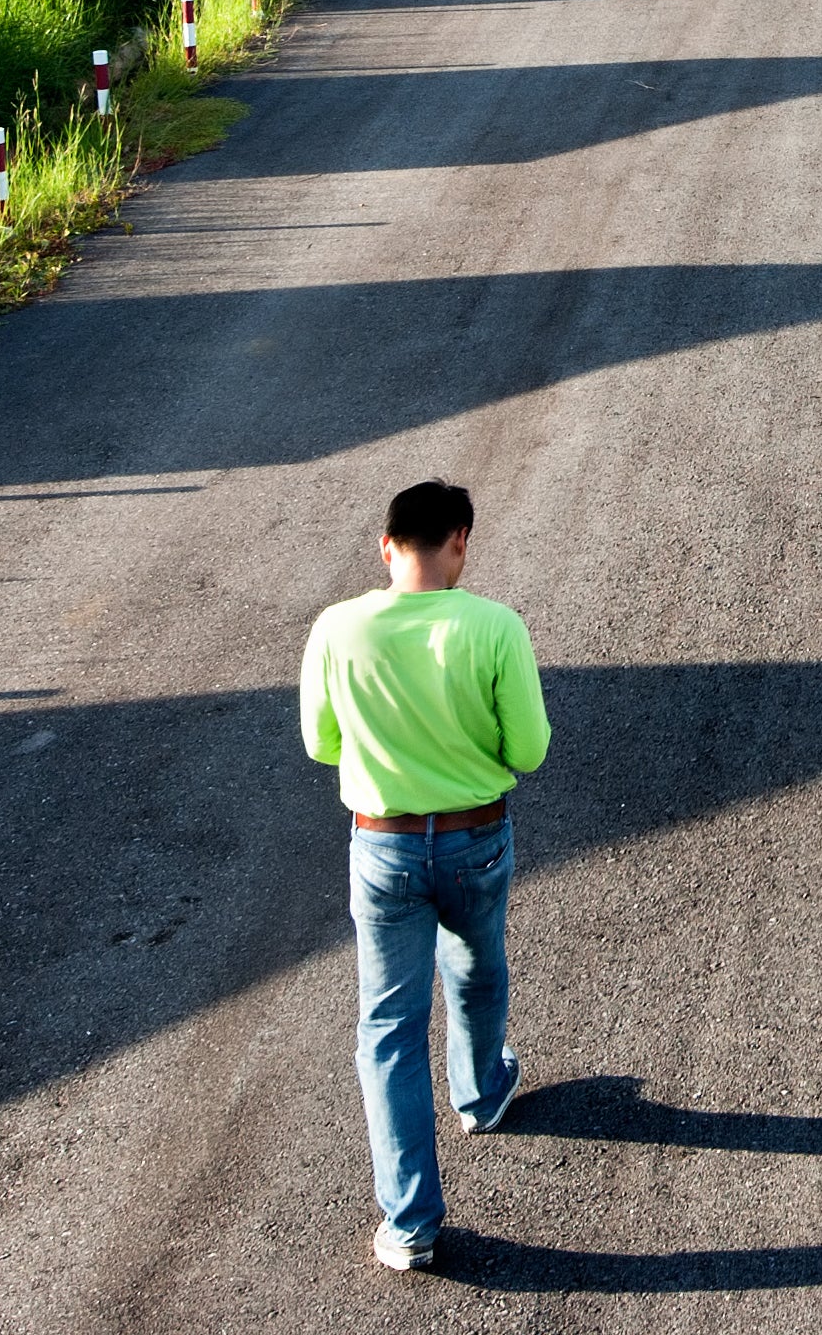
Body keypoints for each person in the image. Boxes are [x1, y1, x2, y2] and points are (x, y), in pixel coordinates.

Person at [300, 477, 552, 1271]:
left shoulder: (338, 628)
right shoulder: (494, 627)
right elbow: (529, 751)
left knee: (389, 1029)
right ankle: (481, 1094)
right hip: (477, 838)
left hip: (382, 846)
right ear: (459, 543)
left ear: (385, 546)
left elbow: (322, 743)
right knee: (477, 966)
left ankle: (409, 1224)